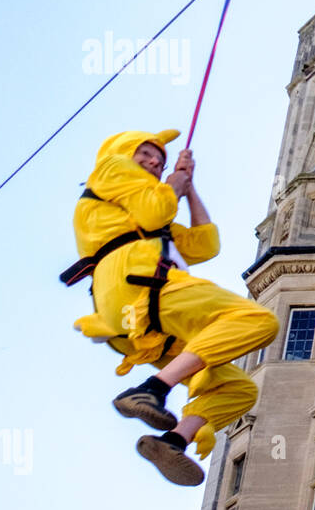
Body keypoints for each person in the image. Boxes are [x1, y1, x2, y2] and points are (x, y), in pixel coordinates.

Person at [66, 129, 278, 485]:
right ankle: (152, 389)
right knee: (256, 321)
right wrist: (172, 184)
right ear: (123, 152)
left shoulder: (139, 210)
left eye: (160, 159)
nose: (154, 161)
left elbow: (206, 244)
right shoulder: (112, 170)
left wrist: (188, 186)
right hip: (141, 287)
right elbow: (155, 211)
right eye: (146, 153)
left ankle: (173, 441)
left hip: (143, 322)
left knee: (239, 389)